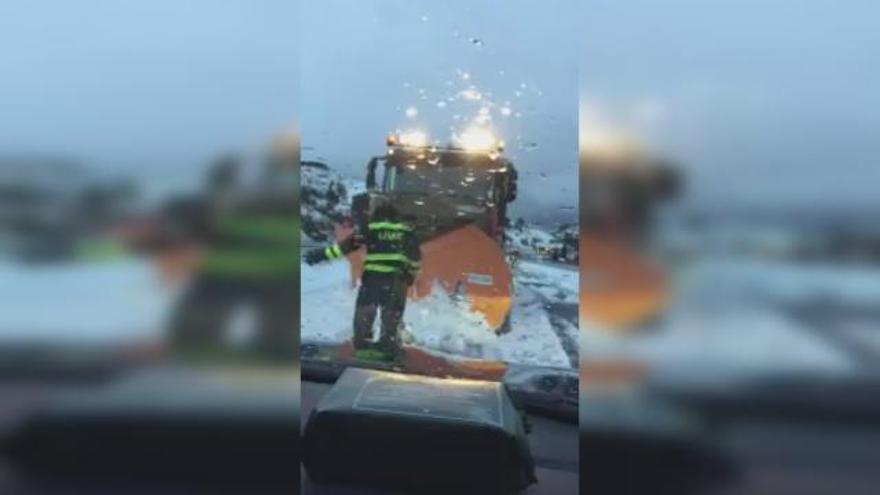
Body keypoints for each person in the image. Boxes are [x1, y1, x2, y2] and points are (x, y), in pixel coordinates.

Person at [305, 202, 421, 363]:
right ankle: (388, 348)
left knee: (364, 313)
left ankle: (363, 348)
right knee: (391, 316)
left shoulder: (370, 229)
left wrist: (320, 255)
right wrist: (411, 275)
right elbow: (415, 258)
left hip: (373, 280)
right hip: (396, 281)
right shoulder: (406, 232)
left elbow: (345, 247)